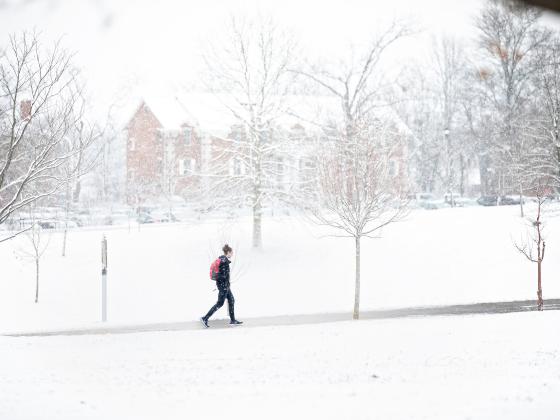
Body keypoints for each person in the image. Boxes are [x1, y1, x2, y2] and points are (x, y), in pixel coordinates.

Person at [200, 244, 243, 327]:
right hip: (223, 287)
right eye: (232, 253)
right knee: (219, 304)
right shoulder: (224, 262)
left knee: (231, 300)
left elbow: (222, 275)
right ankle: (205, 318)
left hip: (226, 286)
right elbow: (221, 276)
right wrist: (224, 281)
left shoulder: (223, 260)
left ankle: (233, 320)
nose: (232, 254)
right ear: (228, 252)